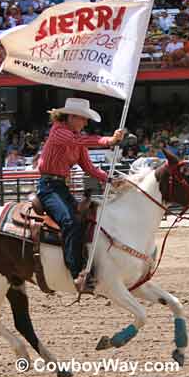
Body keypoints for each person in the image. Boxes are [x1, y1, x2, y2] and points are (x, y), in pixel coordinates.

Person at [37, 98, 124, 292]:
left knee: (83, 220)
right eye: (83, 119)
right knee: (70, 221)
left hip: (60, 187)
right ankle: (76, 273)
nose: (85, 123)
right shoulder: (59, 132)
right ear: (72, 117)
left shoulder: (76, 138)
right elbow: (79, 142)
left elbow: (89, 167)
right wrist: (108, 140)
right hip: (48, 187)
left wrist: (109, 179)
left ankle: (82, 261)